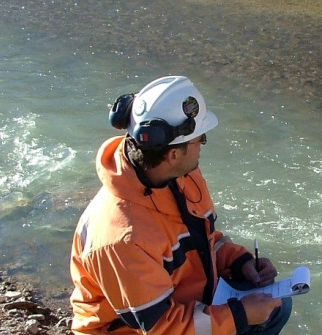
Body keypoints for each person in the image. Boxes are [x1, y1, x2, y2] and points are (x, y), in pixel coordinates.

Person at [69, 76, 292, 334]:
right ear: (173, 154)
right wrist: (240, 315)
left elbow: (200, 240)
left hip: (179, 304)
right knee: (256, 316)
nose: (203, 145)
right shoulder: (122, 238)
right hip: (142, 329)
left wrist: (239, 261)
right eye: (201, 139)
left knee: (276, 308)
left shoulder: (180, 176)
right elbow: (161, 327)